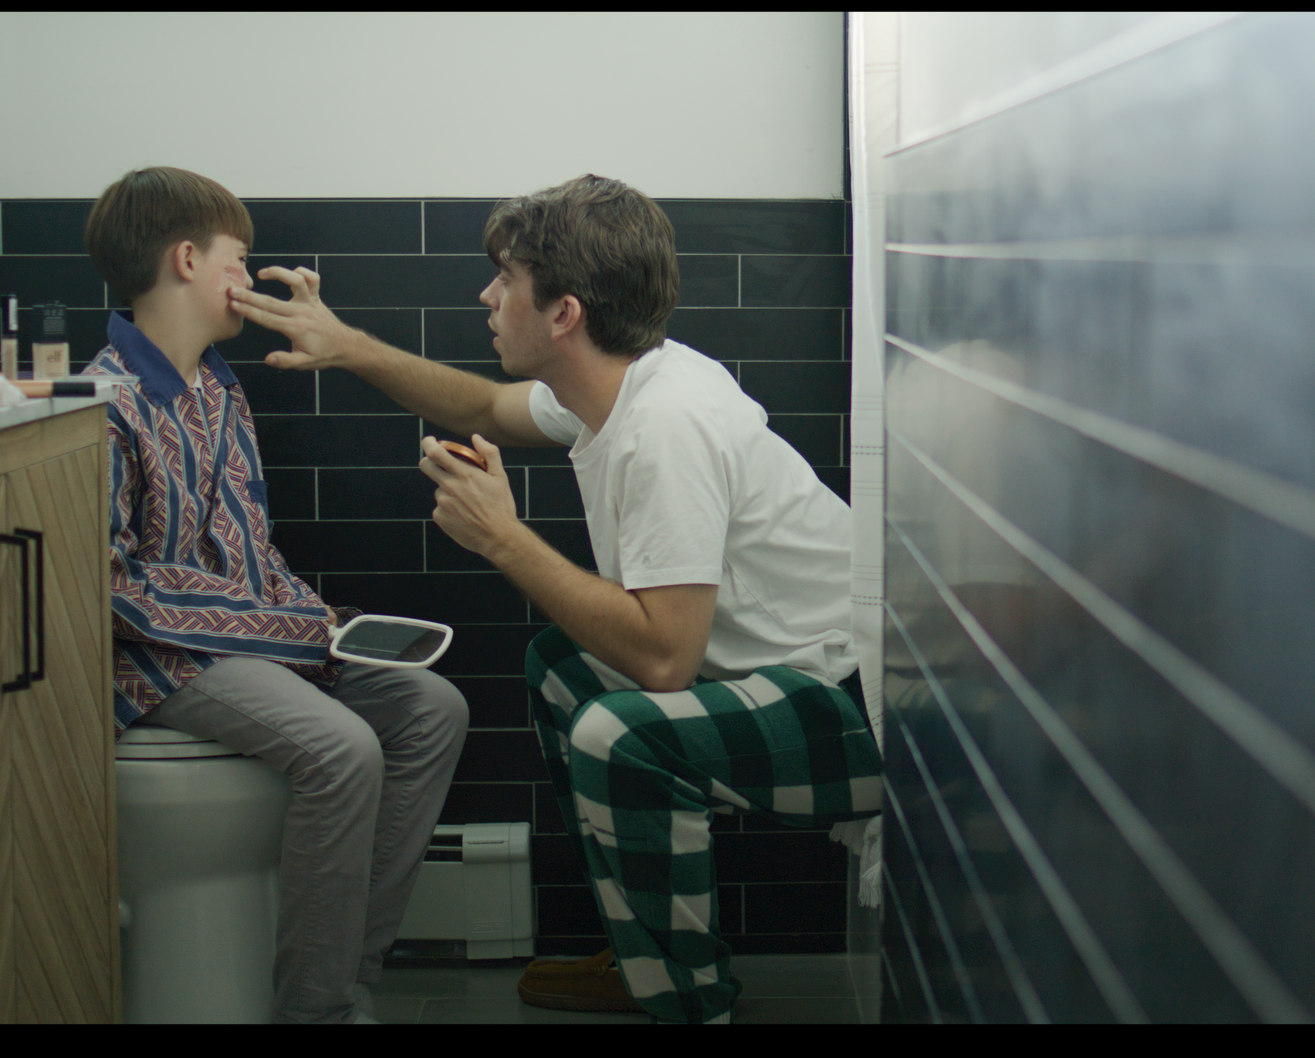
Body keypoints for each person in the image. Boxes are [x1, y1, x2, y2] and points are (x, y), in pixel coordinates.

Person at [228, 174, 882, 1024]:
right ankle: (646, 952)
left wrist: (502, 537)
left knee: (619, 732)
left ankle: (688, 1003)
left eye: (507, 279)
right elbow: (487, 407)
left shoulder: (665, 428)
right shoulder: (617, 383)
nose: (487, 295)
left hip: (857, 707)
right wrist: (346, 344)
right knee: (564, 668)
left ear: (565, 312)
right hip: (795, 680)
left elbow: (663, 657)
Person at [83, 167, 469, 1024]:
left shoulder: (221, 391)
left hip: (254, 645)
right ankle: (316, 1014)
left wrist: (317, 618)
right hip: (160, 668)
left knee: (431, 709)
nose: (250, 279)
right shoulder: (106, 404)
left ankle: (344, 974)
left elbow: (249, 547)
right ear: (188, 259)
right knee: (340, 749)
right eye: (239, 259)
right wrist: (284, 626)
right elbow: (115, 589)